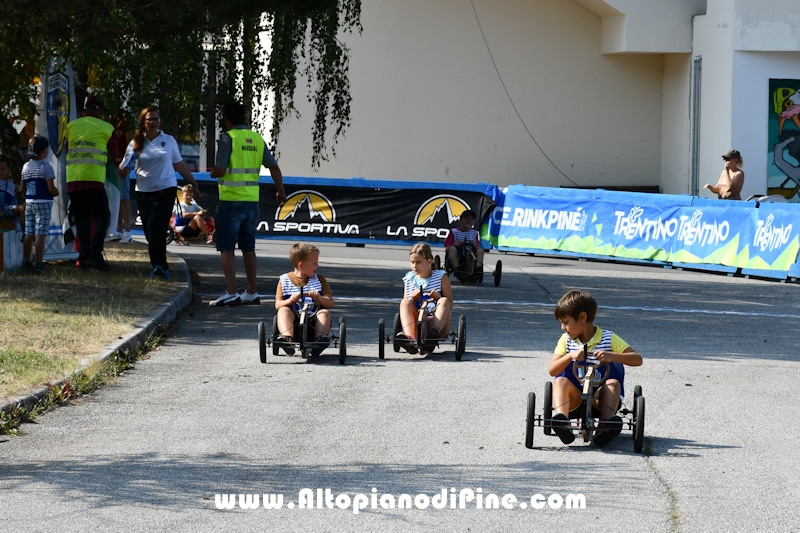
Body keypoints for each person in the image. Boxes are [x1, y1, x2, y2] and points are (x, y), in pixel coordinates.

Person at [209, 102, 287, 306]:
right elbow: (274, 168)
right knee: (248, 248)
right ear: (244, 118)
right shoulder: (257, 139)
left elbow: (220, 169)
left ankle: (232, 292)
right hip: (251, 202)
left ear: (227, 119)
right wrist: (281, 191)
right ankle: (252, 291)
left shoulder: (228, 138)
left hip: (230, 200)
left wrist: (213, 172)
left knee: (226, 247)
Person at [548, 290, 642, 448]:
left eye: (566, 322)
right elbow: (552, 370)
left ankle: (605, 427)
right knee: (560, 381)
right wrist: (570, 355)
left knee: (613, 383)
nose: (563, 328)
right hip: (574, 398)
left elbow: (637, 359)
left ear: (582, 318)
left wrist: (612, 356)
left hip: (601, 399)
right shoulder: (566, 341)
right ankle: (561, 422)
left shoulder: (608, 338)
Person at [120, 106, 201, 280]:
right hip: (143, 191)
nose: (154, 122)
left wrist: (193, 183)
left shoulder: (169, 140)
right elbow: (123, 170)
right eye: (150, 119)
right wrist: (125, 165)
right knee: (150, 232)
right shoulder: (135, 142)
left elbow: (180, 165)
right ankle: (158, 264)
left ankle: (160, 266)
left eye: (157, 119)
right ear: (143, 122)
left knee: (156, 227)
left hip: (166, 189)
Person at [65, 94, 115, 270]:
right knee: (103, 217)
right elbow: (115, 154)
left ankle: (84, 256)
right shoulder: (107, 128)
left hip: (74, 180)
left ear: (84, 110)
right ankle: (95, 255)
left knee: (82, 220)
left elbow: (66, 147)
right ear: (100, 111)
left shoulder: (71, 126)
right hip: (94, 180)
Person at [274, 243, 334, 356]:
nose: (317, 266)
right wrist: (290, 301)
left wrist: (319, 297)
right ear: (301, 265)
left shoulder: (319, 279)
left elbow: (330, 302)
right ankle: (288, 339)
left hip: (314, 320)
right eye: (314, 263)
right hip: (293, 320)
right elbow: (278, 304)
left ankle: (318, 341)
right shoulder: (284, 280)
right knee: (283, 310)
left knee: (324, 312)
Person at [397, 242, 453, 354]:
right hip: (417, 320)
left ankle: (433, 335)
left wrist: (438, 298)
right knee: (405, 302)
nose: (414, 266)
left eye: (418, 262)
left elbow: (450, 304)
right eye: (412, 262)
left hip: (436, 319)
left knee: (444, 300)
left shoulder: (441, 276)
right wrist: (413, 298)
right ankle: (410, 339)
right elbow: (406, 305)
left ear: (430, 261)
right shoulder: (409, 278)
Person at [21, 136, 59, 274]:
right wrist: (57, 192)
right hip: (43, 203)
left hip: (29, 202)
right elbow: (51, 188)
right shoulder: (46, 167)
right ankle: (38, 264)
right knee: (40, 235)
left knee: (29, 234)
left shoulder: (25, 167)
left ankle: (26, 262)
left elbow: (22, 188)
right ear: (44, 152)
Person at [107, 111, 133, 243]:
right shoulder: (108, 118)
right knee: (114, 198)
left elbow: (131, 145)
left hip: (121, 166)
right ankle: (117, 230)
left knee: (123, 198)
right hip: (109, 166)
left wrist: (127, 165)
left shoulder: (124, 119)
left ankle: (127, 232)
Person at [444, 209, 484, 281]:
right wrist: (455, 245)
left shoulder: (475, 233)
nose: (469, 221)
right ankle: (457, 268)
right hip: (458, 254)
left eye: (472, 220)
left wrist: (475, 246)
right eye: (467, 219)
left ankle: (477, 269)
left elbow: (477, 249)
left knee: (480, 250)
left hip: (470, 253)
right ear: (461, 220)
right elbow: (447, 249)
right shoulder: (454, 232)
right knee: (452, 249)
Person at [0, 154, 25, 222]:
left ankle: (25, 231)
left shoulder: (11, 185)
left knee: (24, 208)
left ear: (8, 169)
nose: (0, 171)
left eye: (3, 169)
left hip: (6, 211)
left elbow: (14, 202)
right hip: (2, 211)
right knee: (21, 209)